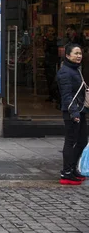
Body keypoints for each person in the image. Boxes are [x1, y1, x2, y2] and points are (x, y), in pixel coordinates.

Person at [56, 43, 87, 185]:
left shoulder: (76, 70)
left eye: (80, 53)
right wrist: (74, 113)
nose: (79, 56)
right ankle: (66, 172)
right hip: (72, 112)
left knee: (82, 141)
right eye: (75, 53)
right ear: (68, 55)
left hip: (80, 111)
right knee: (70, 141)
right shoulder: (65, 72)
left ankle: (73, 168)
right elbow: (66, 95)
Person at [43, 26, 60, 104]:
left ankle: (55, 95)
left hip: (54, 61)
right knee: (49, 79)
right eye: (49, 31)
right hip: (48, 61)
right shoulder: (45, 40)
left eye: (52, 31)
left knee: (54, 79)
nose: (50, 32)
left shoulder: (56, 40)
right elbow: (44, 49)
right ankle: (51, 95)